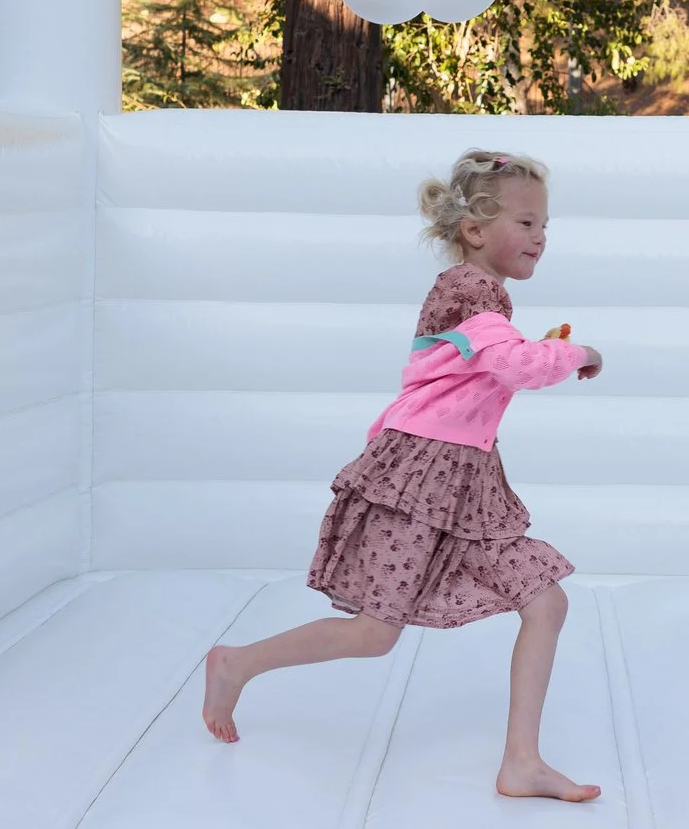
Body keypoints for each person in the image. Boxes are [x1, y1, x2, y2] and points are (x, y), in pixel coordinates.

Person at [200, 148, 605, 803]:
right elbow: (516, 365)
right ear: (474, 230)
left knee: (546, 600)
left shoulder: (485, 298)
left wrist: (542, 349)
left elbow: (499, 363)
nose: (540, 237)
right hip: (417, 479)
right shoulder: (469, 290)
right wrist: (578, 352)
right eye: (527, 223)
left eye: (545, 225)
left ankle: (522, 761)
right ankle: (236, 663)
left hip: (467, 486)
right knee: (374, 634)